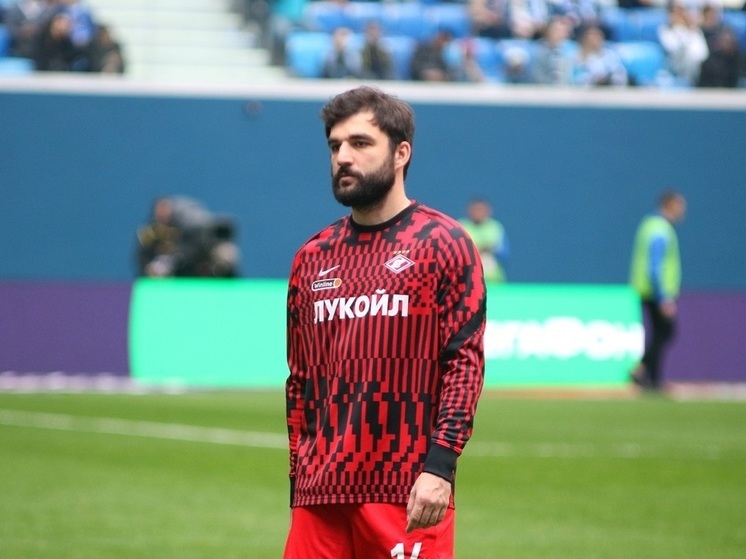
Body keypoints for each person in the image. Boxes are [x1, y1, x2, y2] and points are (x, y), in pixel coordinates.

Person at [284, 86, 486, 559]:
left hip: (406, 491)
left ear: (401, 153)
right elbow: (300, 383)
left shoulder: (443, 243)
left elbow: (464, 364)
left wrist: (440, 467)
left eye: (360, 143)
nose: (343, 157)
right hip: (320, 496)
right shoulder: (312, 257)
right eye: (335, 146)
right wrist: (298, 481)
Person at [629, 190, 687, 392]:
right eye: (680, 206)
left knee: (658, 333)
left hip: (645, 289)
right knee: (665, 332)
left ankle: (652, 379)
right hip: (656, 291)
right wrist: (663, 297)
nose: (683, 211)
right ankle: (643, 370)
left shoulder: (648, 224)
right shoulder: (660, 230)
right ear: (669, 205)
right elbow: (655, 265)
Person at [135, 195, 239, 278]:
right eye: (159, 209)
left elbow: (194, 248)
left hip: (198, 261)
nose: (162, 212)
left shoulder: (188, 224)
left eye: (165, 207)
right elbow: (142, 257)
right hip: (177, 272)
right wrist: (152, 267)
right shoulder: (151, 232)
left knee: (226, 253)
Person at [459, 198, 510, 283]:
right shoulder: (461, 226)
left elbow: (504, 253)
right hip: (468, 279)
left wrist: (490, 249)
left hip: (493, 279)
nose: (478, 213)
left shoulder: (495, 227)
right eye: (476, 210)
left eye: (481, 210)